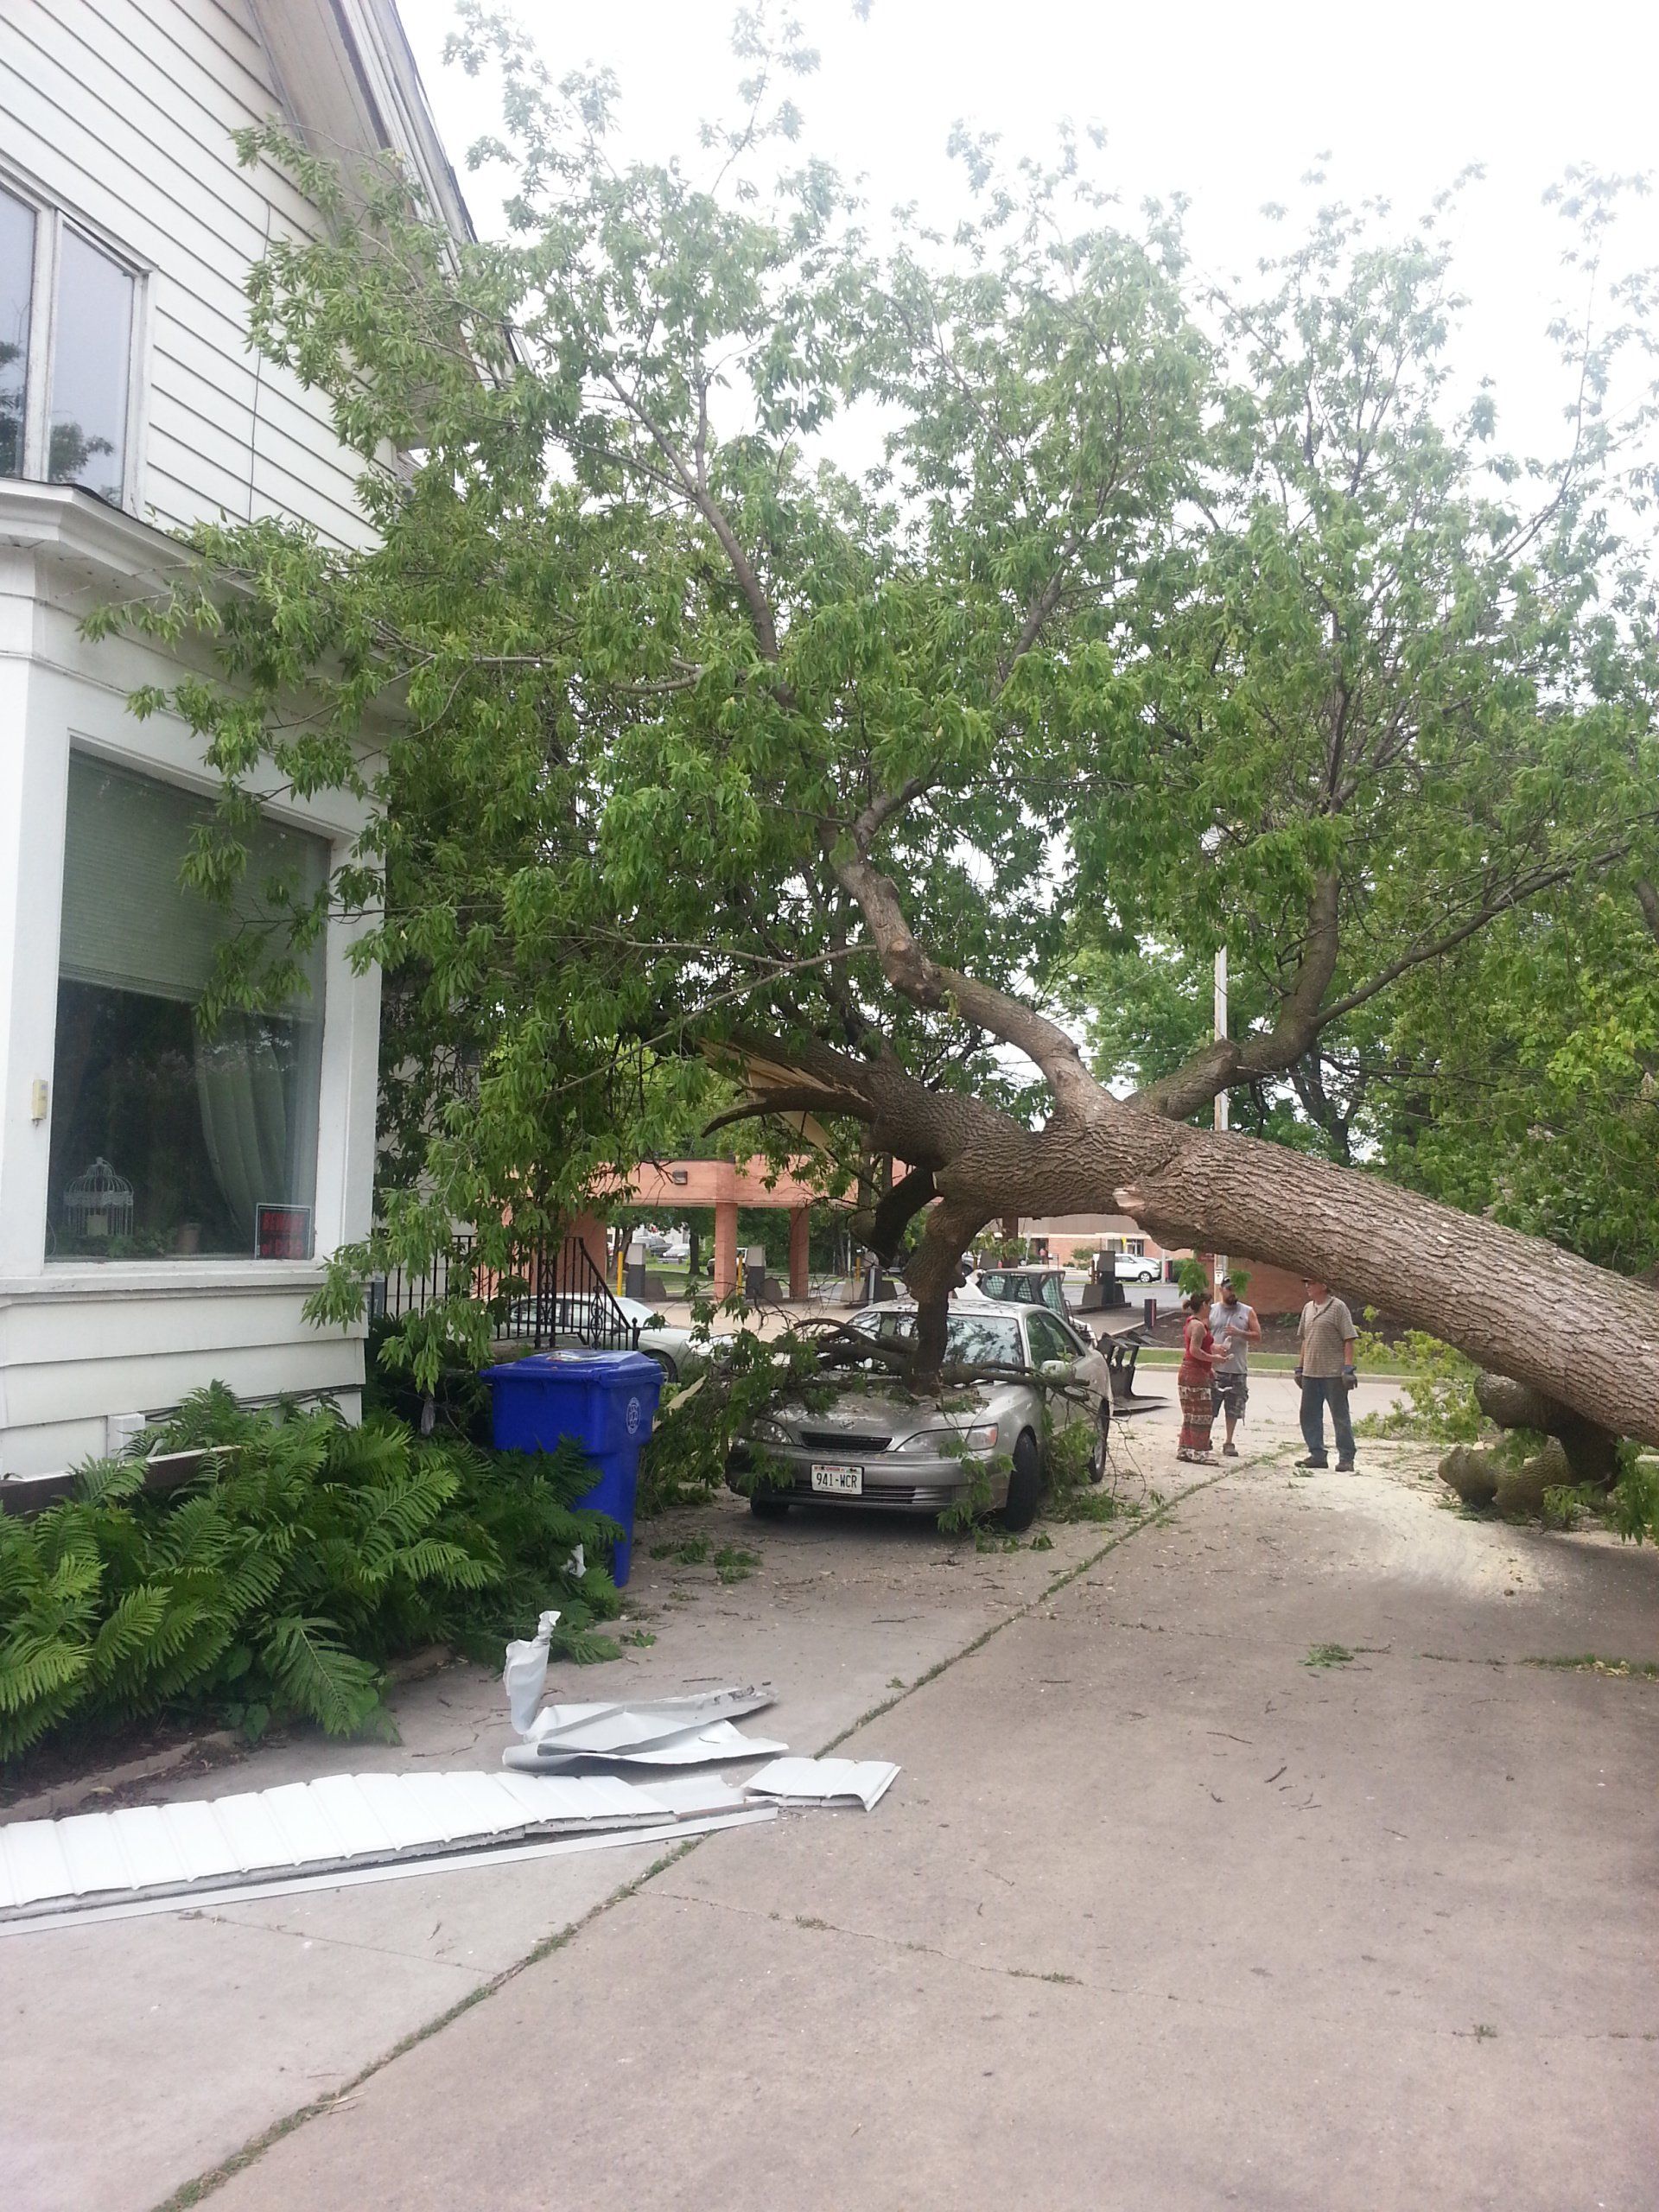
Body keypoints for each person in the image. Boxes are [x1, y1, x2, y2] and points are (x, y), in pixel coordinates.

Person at [1296, 1275, 1358, 1471]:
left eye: (1311, 1283)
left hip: (1333, 1373)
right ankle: (1317, 1454)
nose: (1308, 1286)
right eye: (1306, 1283)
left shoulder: (1338, 1307)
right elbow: (1305, 1339)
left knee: (1340, 1416)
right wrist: (1300, 1367)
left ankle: (1346, 1457)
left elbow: (1348, 1338)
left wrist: (1348, 1368)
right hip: (1311, 1372)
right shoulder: (1308, 1308)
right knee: (1309, 1415)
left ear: (1324, 1285)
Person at [1208, 1276, 1261, 1458]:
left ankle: (1229, 1441)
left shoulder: (1247, 1311)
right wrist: (1213, 1348)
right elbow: (1203, 1336)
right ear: (1221, 1290)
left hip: (1237, 1369)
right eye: (1229, 1289)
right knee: (1210, 1406)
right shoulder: (1212, 1310)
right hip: (1215, 1368)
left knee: (1233, 1409)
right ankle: (1205, 1438)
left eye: (1236, 1289)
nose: (1233, 1293)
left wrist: (1240, 1332)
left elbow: (1258, 1336)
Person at [1176, 1290, 1219, 1463]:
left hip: (1187, 1371)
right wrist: (1214, 1359)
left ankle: (1185, 1449)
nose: (1211, 1308)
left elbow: (1201, 1346)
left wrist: (1214, 1353)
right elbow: (1194, 1350)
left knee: (1189, 1413)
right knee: (1202, 1414)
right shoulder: (1199, 1326)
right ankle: (1200, 1453)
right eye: (1210, 1304)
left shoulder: (1191, 1322)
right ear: (1203, 1305)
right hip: (1195, 1373)